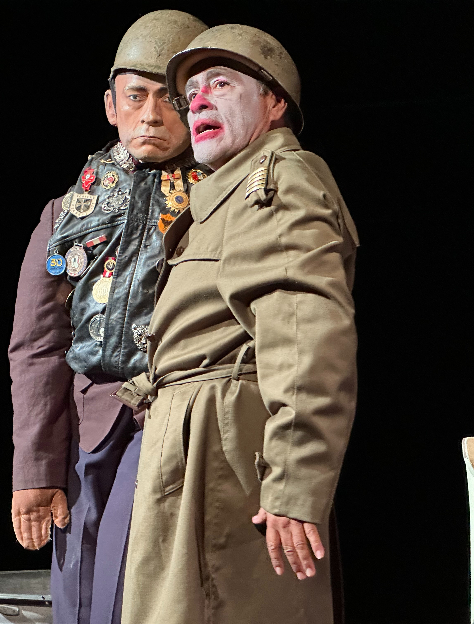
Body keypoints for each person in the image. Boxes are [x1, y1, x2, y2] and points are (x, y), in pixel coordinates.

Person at [115, 24, 359, 624]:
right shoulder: (225, 196)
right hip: (191, 447)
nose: (197, 101)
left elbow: (305, 334)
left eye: (220, 84)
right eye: (191, 92)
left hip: (221, 454)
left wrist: (294, 480)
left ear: (274, 104)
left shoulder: (275, 180)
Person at [7, 10, 208, 624]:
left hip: (176, 419)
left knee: (146, 592)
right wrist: (36, 468)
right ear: (110, 105)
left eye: (171, 99)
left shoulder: (218, 201)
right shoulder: (66, 213)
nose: (151, 115)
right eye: (136, 96)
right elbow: (37, 346)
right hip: (90, 427)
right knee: (82, 593)